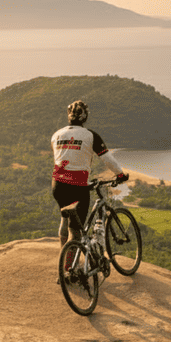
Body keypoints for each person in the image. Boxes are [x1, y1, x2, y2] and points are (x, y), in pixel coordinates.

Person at [51, 100, 128, 247]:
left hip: (58, 184)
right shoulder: (90, 135)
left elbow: (62, 158)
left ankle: (63, 254)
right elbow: (108, 159)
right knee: (75, 229)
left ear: (69, 116)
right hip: (77, 187)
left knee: (64, 217)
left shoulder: (56, 135)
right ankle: (70, 267)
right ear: (85, 117)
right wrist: (120, 174)